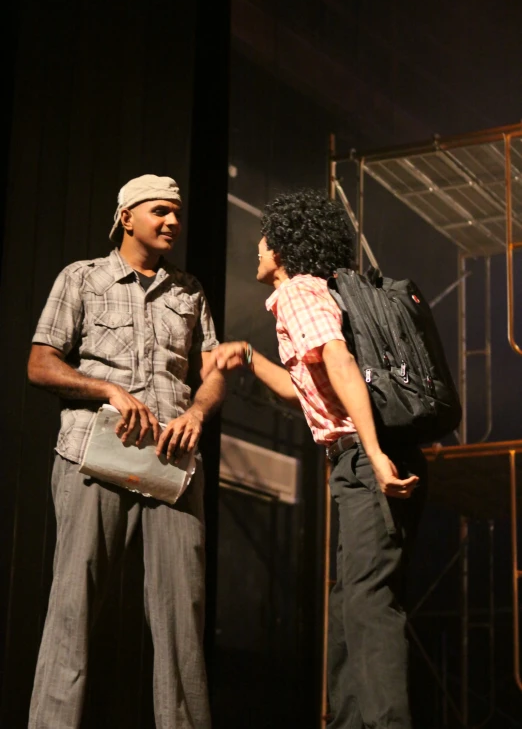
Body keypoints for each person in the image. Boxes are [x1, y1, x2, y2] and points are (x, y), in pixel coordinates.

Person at [206, 189, 427, 729]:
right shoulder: (312, 294)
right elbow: (307, 386)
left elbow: (340, 361)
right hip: (357, 459)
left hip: (366, 457)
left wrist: (373, 455)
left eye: (264, 239)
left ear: (282, 247)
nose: (257, 248)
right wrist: (250, 357)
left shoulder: (298, 294)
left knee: (369, 602)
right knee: (349, 600)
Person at [27, 174, 225, 729]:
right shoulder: (83, 278)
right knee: (72, 609)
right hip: (93, 455)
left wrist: (197, 412)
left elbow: (210, 374)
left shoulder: (190, 291)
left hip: (172, 463)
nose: (173, 223)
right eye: (161, 211)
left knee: (182, 621)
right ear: (127, 216)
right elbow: (40, 364)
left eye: (178, 214)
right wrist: (109, 390)